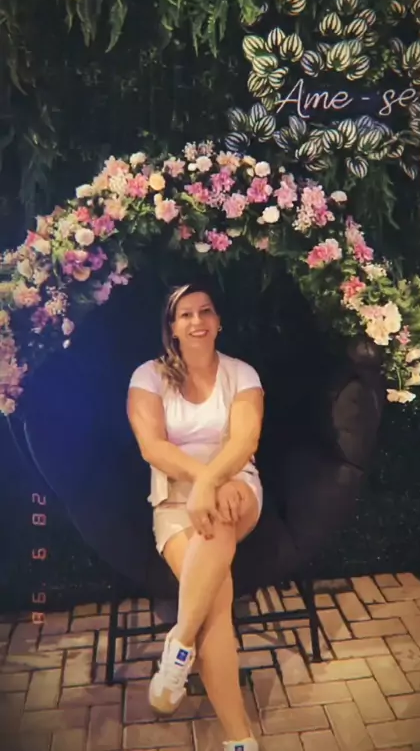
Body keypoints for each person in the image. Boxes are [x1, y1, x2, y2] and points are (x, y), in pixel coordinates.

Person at [127, 282, 264, 751]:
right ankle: (240, 739)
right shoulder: (148, 376)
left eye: (205, 311)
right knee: (215, 602)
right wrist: (202, 481)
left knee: (221, 513)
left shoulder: (241, 373)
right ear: (172, 327)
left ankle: (178, 644)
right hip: (173, 497)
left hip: (236, 484)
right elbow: (152, 446)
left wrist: (214, 482)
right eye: (185, 314)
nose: (197, 321)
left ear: (218, 321)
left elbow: (244, 441)